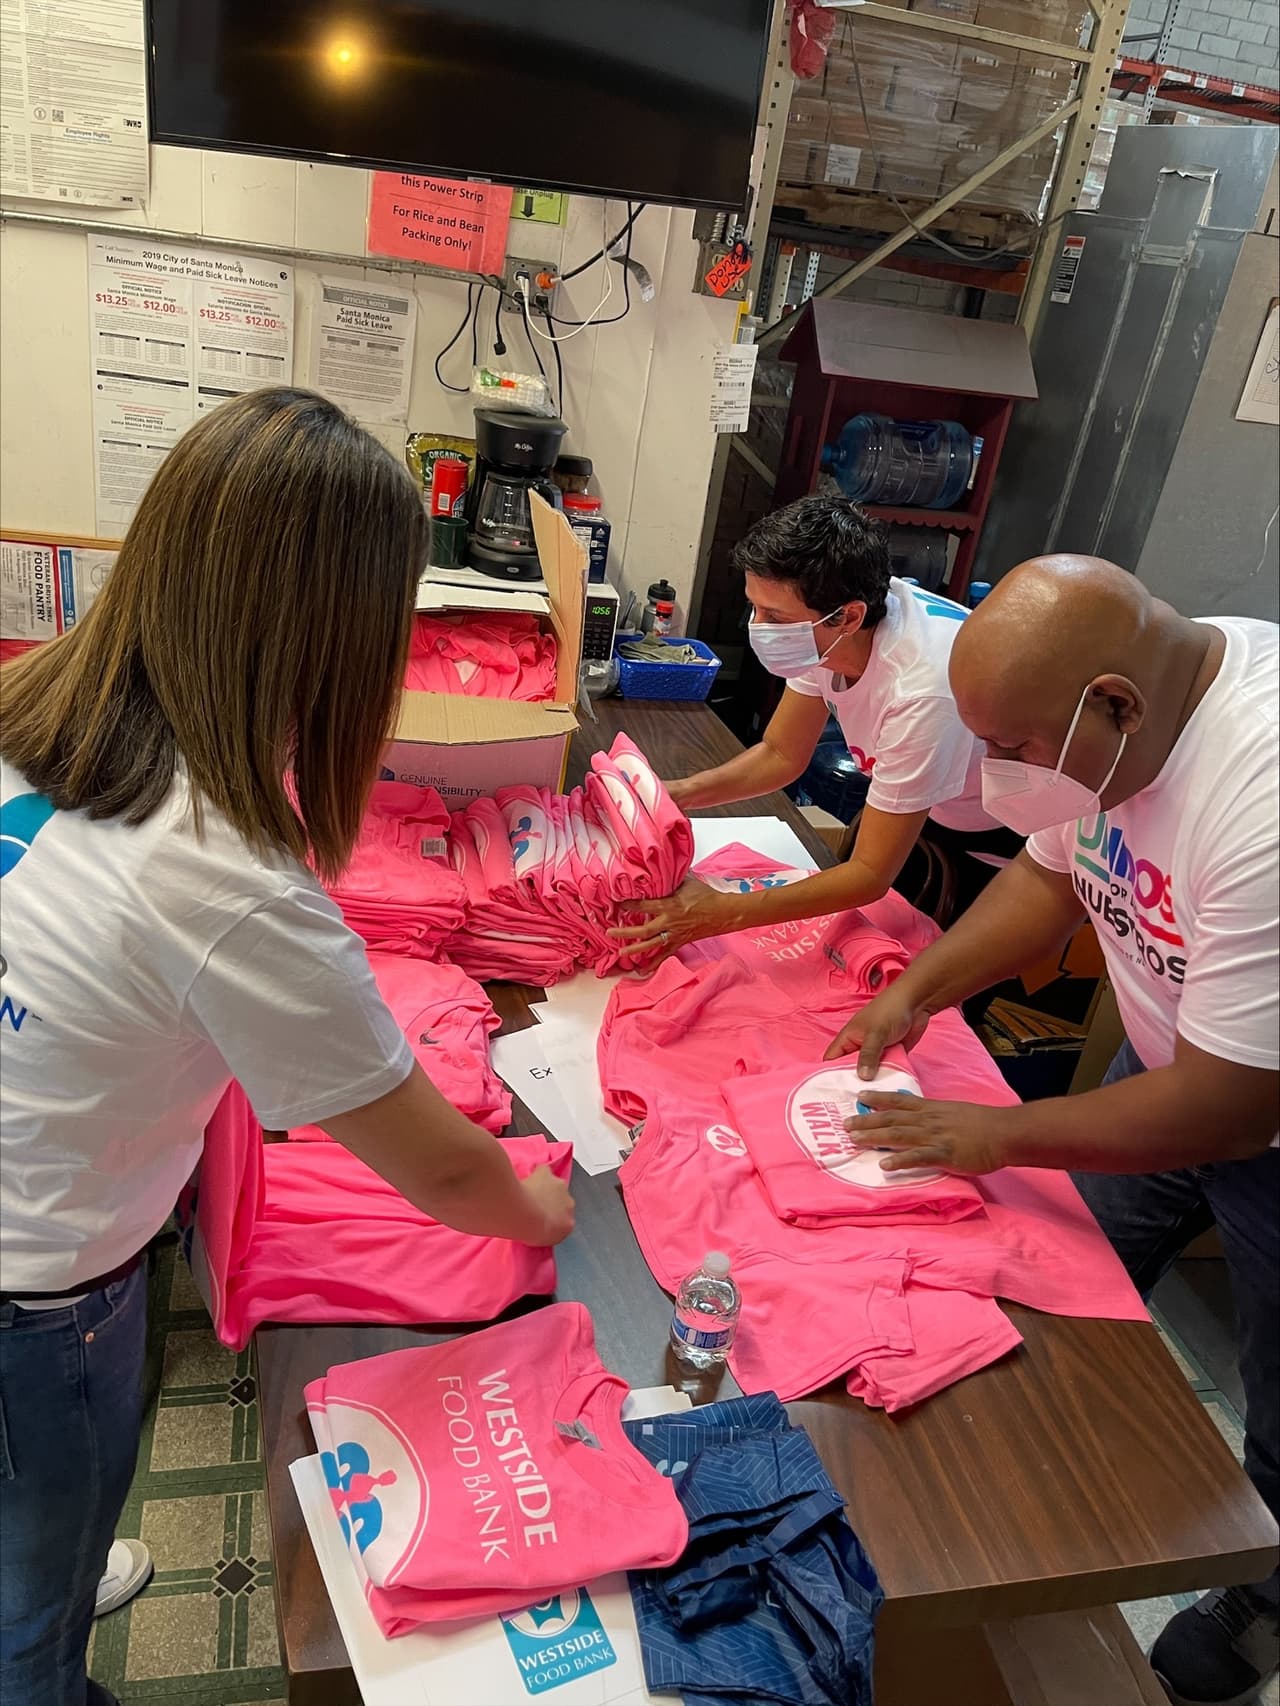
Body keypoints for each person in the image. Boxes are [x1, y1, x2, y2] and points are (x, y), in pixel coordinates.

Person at [0, 388, 575, 1706]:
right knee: (25, 1632)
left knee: (38, 1533)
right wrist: (535, 1190)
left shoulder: (34, 708)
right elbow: (442, 1171)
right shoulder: (226, 870)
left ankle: (47, 1575)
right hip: (35, 1295)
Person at [829, 556, 1278, 1706]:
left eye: (1015, 747)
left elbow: (1232, 1105)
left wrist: (995, 1133)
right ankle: (1024, 1505)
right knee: (1052, 1282)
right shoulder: (1121, 720)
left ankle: (1263, 1588)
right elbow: (1051, 882)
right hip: (1175, 1052)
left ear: (1114, 701)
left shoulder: (1258, 790)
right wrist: (917, 985)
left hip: (1257, 1117)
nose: (997, 774)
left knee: (1277, 1403)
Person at [610, 496, 1021, 962]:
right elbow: (782, 754)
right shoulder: (825, 633)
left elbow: (868, 874)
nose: (759, 628)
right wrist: (675, 794)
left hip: (1000, 830)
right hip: (933, 804)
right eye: (755, 609)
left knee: (936, 978)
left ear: (849, 615)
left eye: (775, 618)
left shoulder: (920, 693)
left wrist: (723, 912)